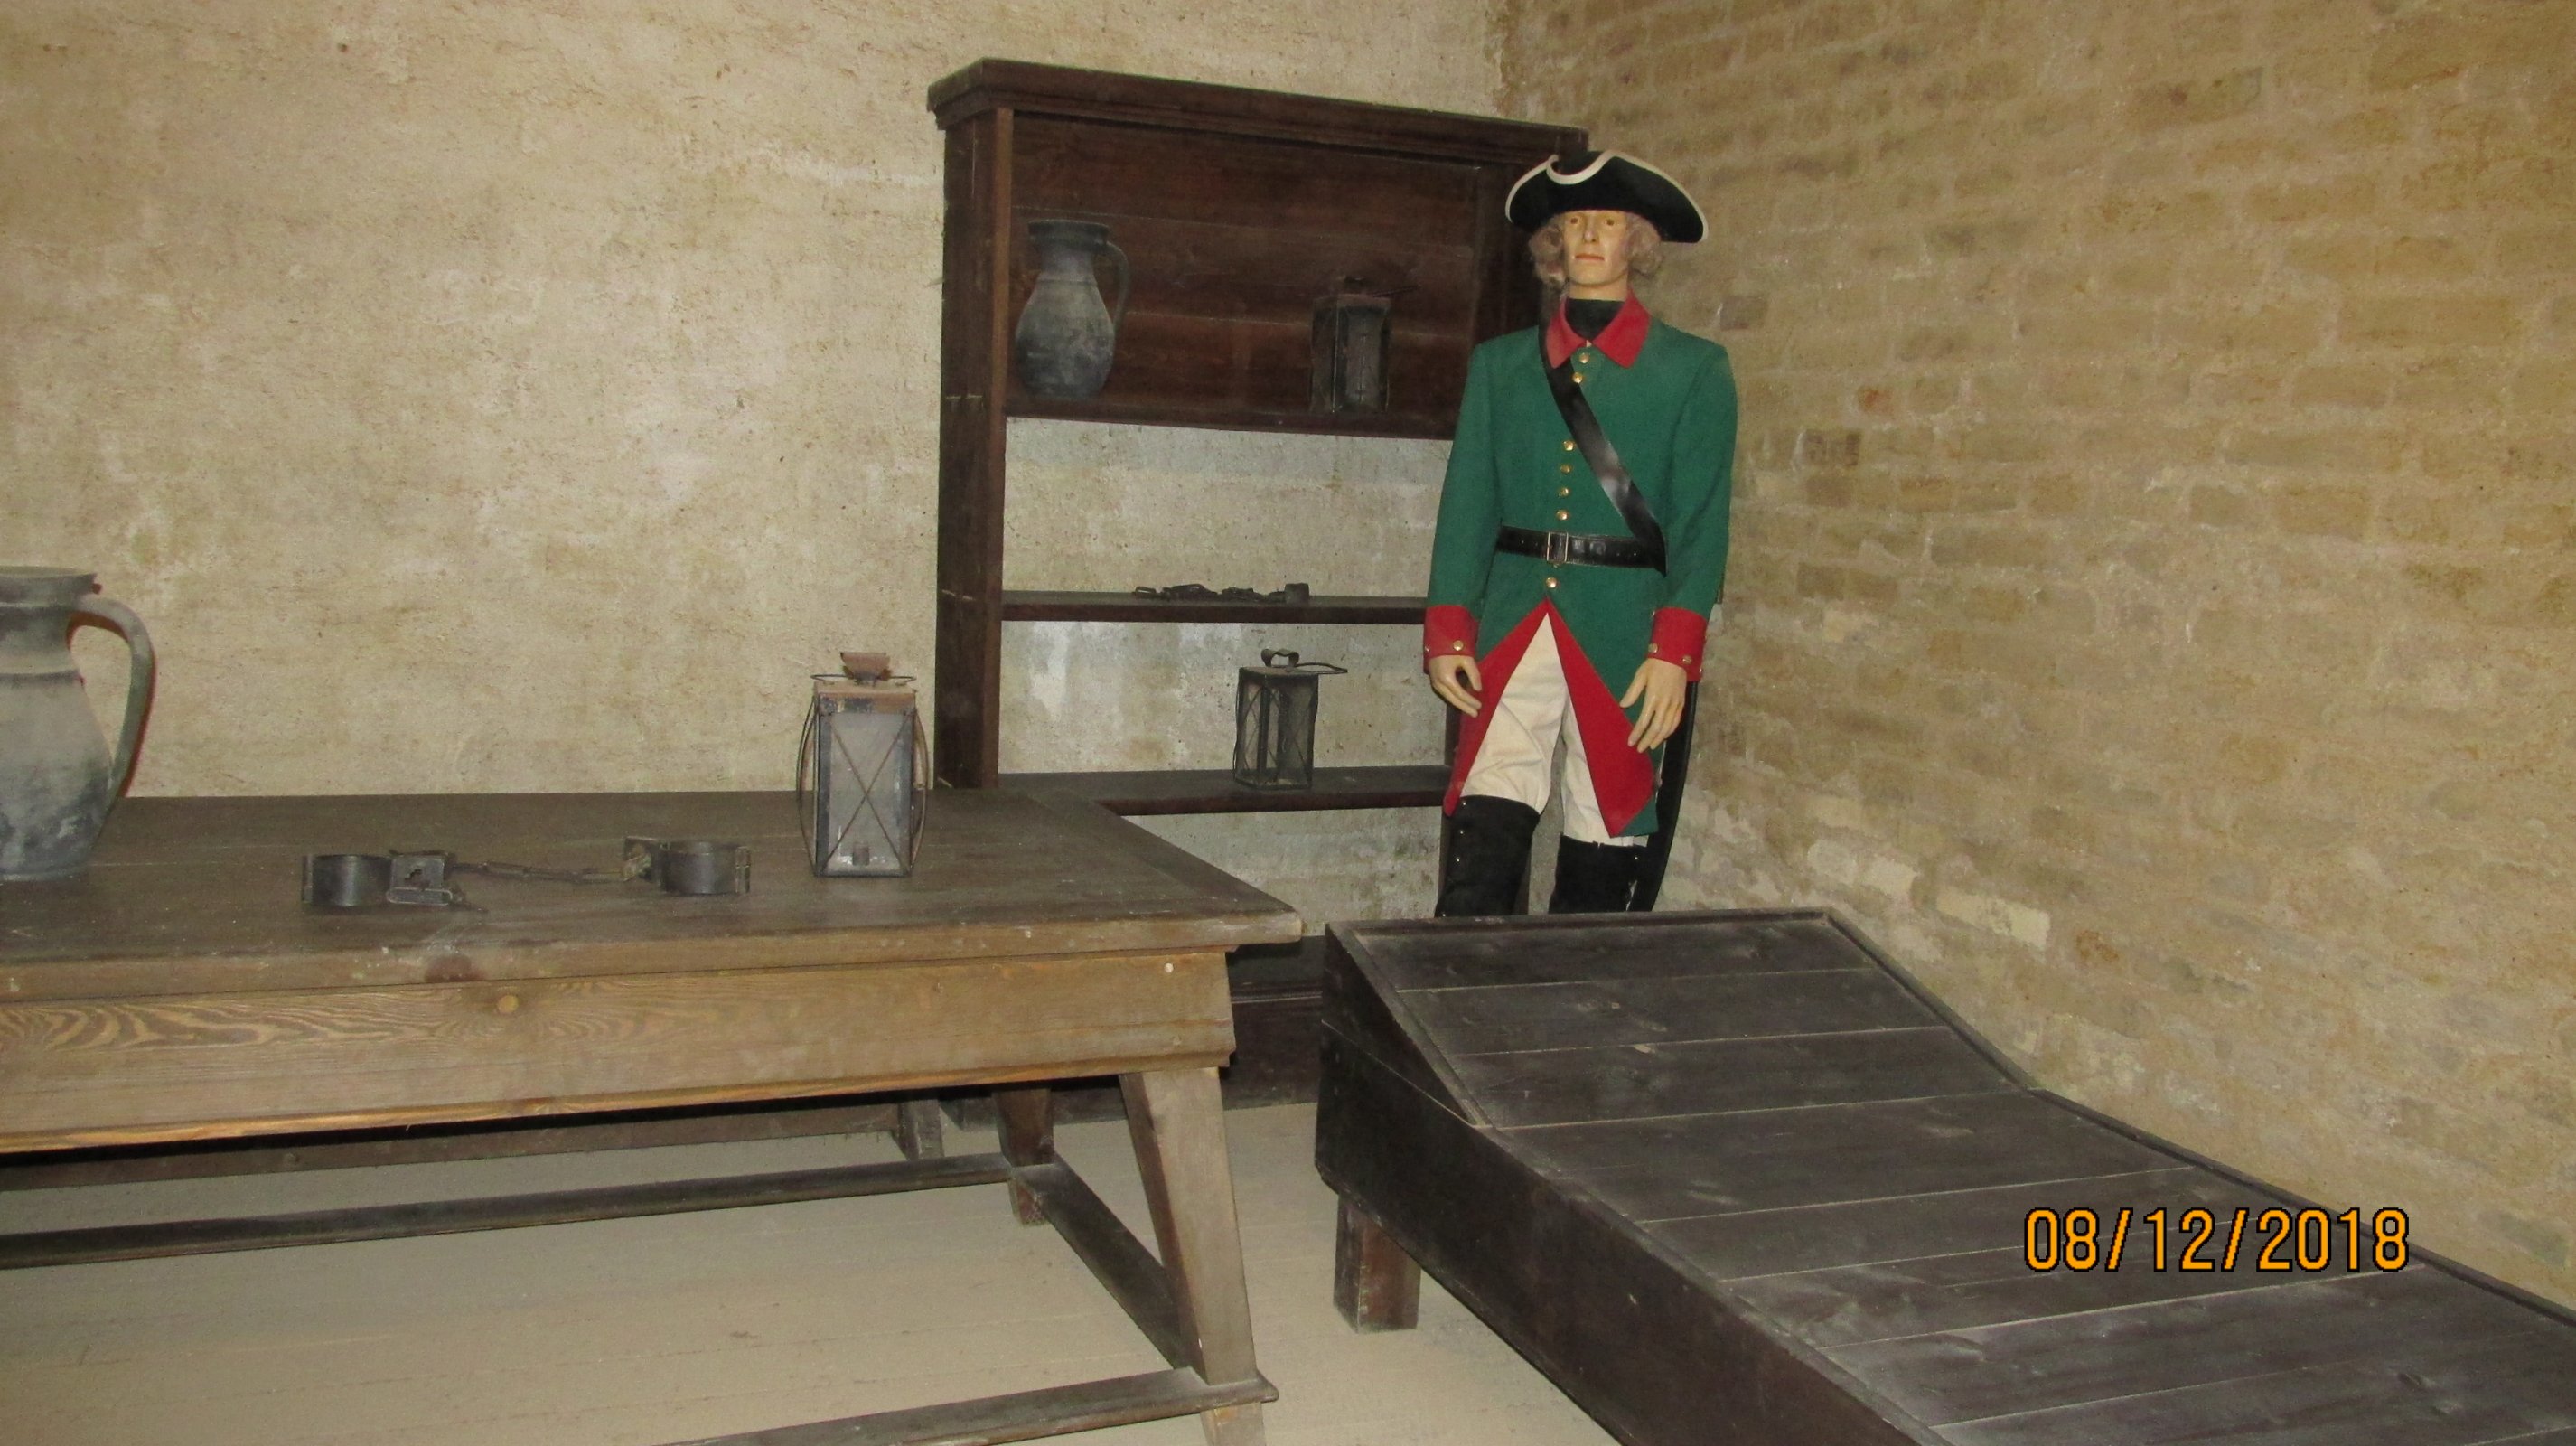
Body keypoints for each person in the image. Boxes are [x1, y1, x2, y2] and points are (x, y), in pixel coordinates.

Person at [1424, 150, 1738, 915]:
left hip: (1624, 619)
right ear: (1552, 244)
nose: (1590, 237)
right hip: (1515, 608)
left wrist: (1674, 651)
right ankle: (1464, 968)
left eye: (1608, 222)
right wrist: (1449, 629)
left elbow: (1701, 522)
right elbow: (1468, 500)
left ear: (1638, 241)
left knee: (1608, 799)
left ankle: (1578, 975)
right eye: (1573, 223)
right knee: (1493, 782)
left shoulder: (1693, 368)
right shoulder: (1500, 366)